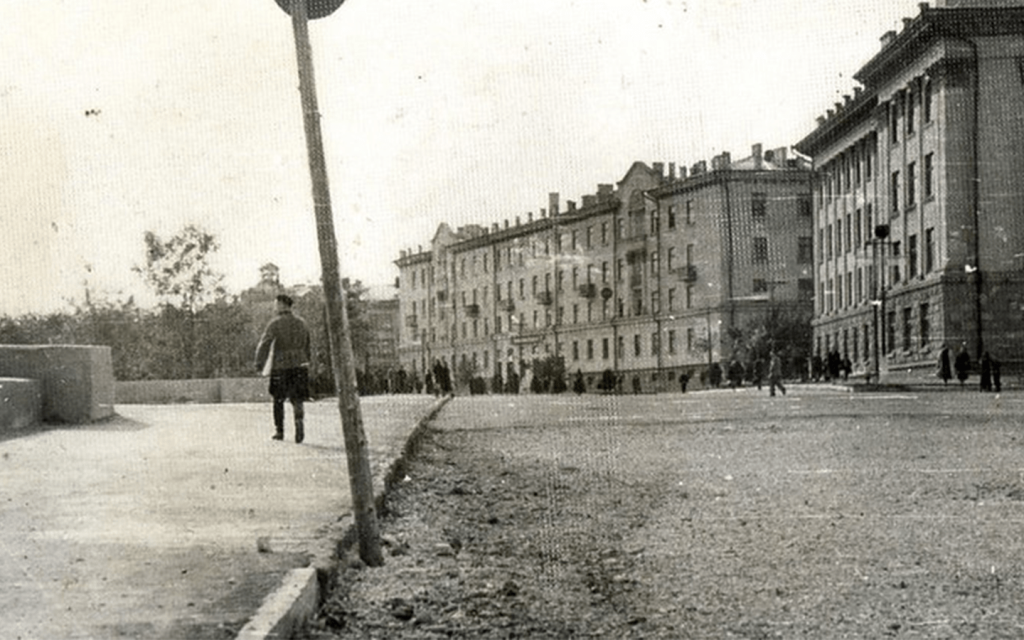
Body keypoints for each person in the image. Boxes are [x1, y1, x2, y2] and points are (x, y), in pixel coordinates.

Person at [255, 294, 311, 443]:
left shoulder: (275, 324)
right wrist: (308, 362)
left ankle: (279, 431)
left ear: (282, 305)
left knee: (278, 399)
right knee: (298, 398)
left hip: (281, 366)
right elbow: (308, 344)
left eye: (276, 304)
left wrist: (259, 363)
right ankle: (299, 424)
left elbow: (264, 344)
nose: (275, 307)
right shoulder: (302, 323)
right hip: (300, 364)